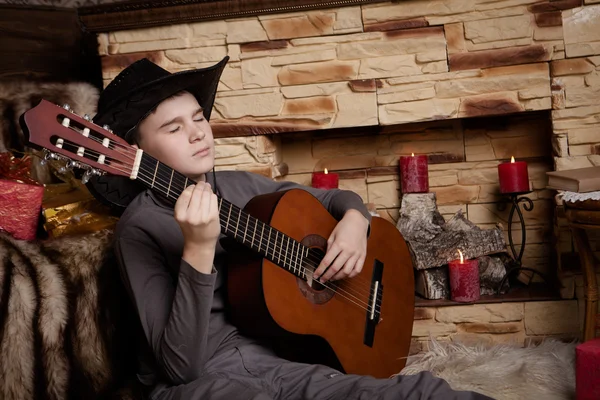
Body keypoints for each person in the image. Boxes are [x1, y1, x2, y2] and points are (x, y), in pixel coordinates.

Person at [90, 55, 493, 400]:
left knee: (425, 393)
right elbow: (181, 368)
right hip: (210, 382)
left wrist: (356, 222)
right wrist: (198, 248)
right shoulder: (139, 228)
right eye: (174, 128)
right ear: (138, 151)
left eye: (199, 117)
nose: (198, 132)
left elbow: (332, 201)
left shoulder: (237, 185)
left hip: (282, 356)